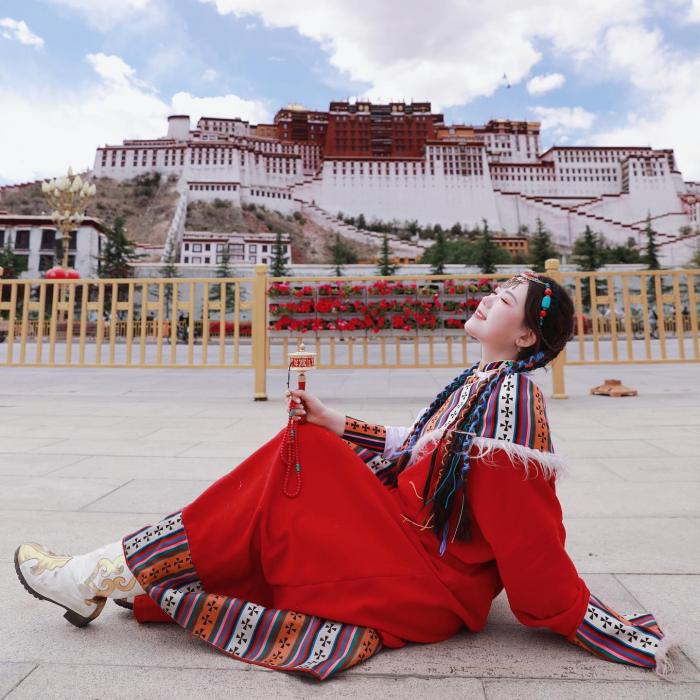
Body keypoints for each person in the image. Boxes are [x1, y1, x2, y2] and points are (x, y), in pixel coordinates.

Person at [14, 271, 674, 681]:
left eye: (504, 300)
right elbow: (417, 448)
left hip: (432, 583)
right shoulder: (477, 383)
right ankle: (127, 569)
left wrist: (588, 621)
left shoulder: (511, 404)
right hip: (408, 540)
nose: (487, 298)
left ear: (527, 337)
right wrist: (333, 420)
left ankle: (103, 573)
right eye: (494, 290)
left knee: (310, 460)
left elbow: (529, 539)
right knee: (308, 446)